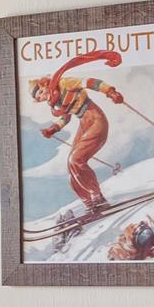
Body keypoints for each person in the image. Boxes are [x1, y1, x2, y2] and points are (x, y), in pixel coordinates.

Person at [30, 50, 124, 213]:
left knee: (76, 159)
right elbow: (66, 118)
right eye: (39, 98)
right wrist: (53, 129)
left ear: (43, 84)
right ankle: (89, 203)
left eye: (40, 92)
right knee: (71, 166)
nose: (41, 97)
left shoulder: (64, 83)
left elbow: (90, 82)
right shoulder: (55, 99)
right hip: (84, 123)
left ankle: (97, 197)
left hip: (96, 119)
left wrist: (110, 92)